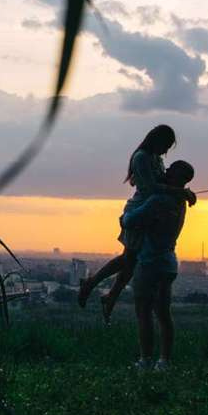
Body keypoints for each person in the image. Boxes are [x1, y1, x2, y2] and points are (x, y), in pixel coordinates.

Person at [77, 125, 196, 318]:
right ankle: (95, 285)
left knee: (131, 259)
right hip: (140, 209)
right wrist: (180, 192)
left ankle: (108, 294)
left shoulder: (155, 158)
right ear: (157, 140)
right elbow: (150, 188)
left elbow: (162, 184)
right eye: (165, 146)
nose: (166, 152)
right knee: (129, 257)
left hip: (148, 210)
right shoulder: (141, 157)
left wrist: (183, 192)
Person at [121, 160, 193, 371]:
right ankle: (165, 361)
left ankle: (145, 360)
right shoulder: (180, 203)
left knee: (143, 313)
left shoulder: (159, 200)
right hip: (168, 262)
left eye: (172, 169)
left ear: (178, 178)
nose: (167, 170)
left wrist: (126, 212)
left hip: (149, 262)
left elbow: (129, 221)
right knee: (163, 314)